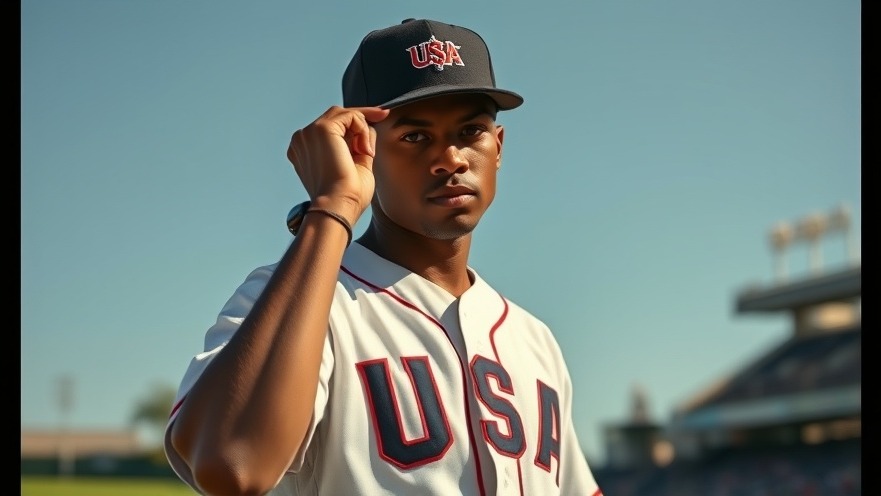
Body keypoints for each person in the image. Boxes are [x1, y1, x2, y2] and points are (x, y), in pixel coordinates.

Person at [164, 17, 604, 496]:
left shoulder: (533, 339)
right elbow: (231, 467)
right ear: (361, 150)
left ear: (497, 148)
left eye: (471, 130)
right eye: (415, 136)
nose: (451, 158)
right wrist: (332, 208)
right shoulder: (294, 300)